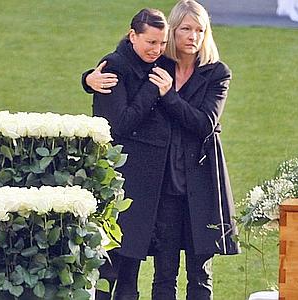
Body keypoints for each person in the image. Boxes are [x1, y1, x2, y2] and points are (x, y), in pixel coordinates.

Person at [83, 1, 240, 299]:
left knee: (200, 272)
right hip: (162, 182)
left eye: (199, 30)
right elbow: (125, 61)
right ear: (174, 30)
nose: (193, 36)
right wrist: (88, 79)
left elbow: (204, 123)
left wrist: (169, 96)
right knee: (163, 271)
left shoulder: (216, 73)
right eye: (185, 29)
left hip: (201, 180)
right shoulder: (157, 63)